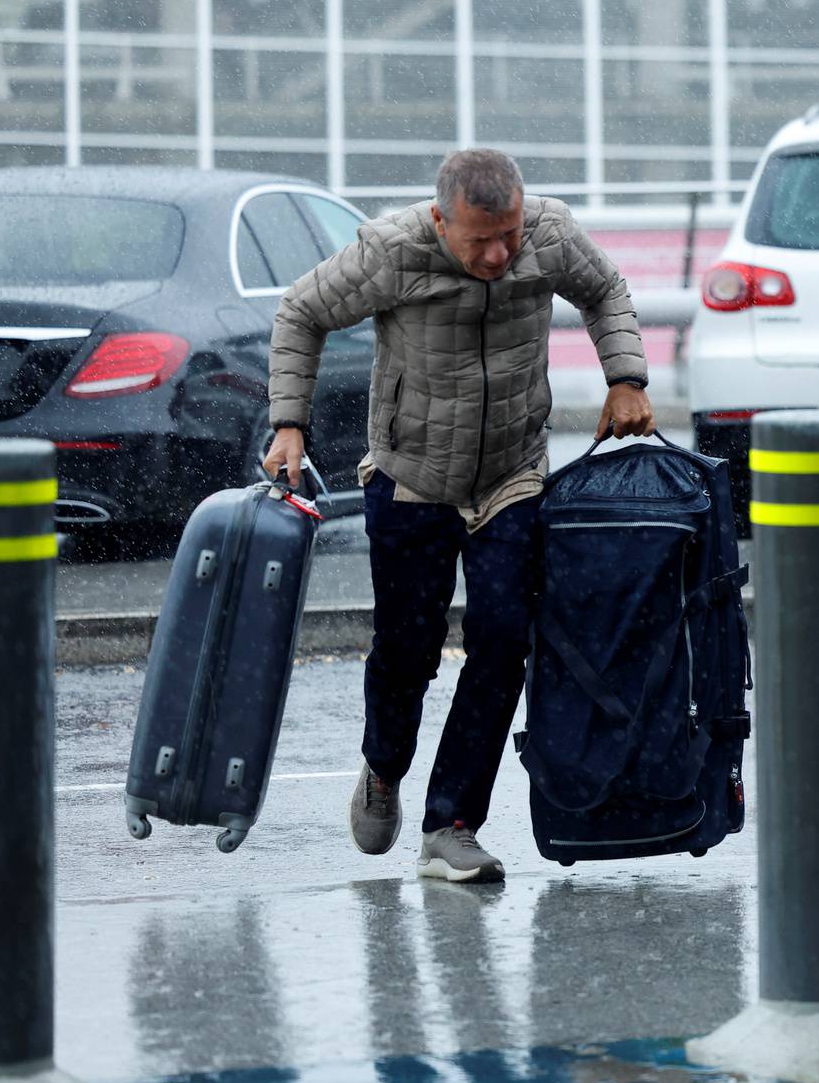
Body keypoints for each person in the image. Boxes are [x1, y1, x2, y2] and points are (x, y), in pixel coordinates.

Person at [262, 148, 654, 883]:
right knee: (407, 649)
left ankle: (452, 824)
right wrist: (291, 423)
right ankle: (384, 767)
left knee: (505, 641)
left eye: (509, 232)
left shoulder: (547, 234)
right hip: (411, 478)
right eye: (482, 239)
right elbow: (302, 312)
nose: (501, 253)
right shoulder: (393, 250)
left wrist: (625, 377)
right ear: (441, 222)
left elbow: (605, 290)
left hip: (510, 475)